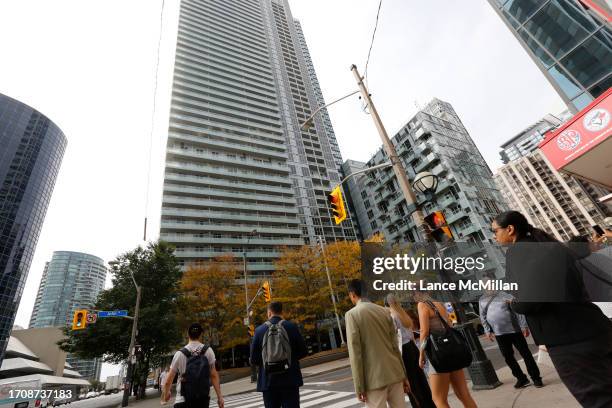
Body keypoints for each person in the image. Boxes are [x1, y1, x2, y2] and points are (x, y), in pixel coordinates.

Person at [492, 210, 612, 408]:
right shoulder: (550, 246)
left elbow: (530, 301)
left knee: (599, 400)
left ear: (510, 229)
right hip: (596, 329)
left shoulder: (519, 251)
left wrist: (513, 304)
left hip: (571, 342)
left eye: (495, 231)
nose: (494, 236)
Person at [345, 279, 410, 408]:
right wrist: (403, 375)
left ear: (352, 294)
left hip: (373, 379)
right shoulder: (384, 311)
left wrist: (359, 386)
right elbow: (395, 346)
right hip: (395, 372)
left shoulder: (352, 315)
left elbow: (355, 354)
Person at [416, 292, 477, 408]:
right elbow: (449, 323)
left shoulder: (422, 305)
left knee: (438, 399)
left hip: (438, 353)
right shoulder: (439, 304)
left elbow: (424, 331)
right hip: (452, 351)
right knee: (464, 394)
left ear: (417, 293)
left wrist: (421, 354)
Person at [478, 287, 542, 388]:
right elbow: (483, 316)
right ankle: (522, 379)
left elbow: (517, 310)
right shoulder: (482, 300)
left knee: (526, 354)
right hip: (499, 334)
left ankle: (536, 378)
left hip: (514, 331)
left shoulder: (505, 295)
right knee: (508, 358)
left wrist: (524, 326)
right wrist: (487, 330)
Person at [250, 301, 307, 408]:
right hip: (290, 379)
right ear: (282, 312)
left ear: (269, 312)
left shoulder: (259, 331)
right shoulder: (291, 327)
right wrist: (290, 359)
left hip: (268, 382)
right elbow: (303, 351)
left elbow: (253, 359)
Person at [386, 294, 436, 408]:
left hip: (404, 351)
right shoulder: (404, 314)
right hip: (413, 348)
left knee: (412, 386)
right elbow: (411, 334)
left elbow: (394, 338)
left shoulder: (392, 317)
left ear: (388, 304)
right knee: (422, 381)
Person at [161, 323, 224, 408]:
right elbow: (213, 375)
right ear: (201, 335)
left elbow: (169, 380)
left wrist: (166, 394)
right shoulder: (208, 351)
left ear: (188, 335)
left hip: (182, 400)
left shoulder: (179, 354)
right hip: (202, 400)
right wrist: (220, 397)